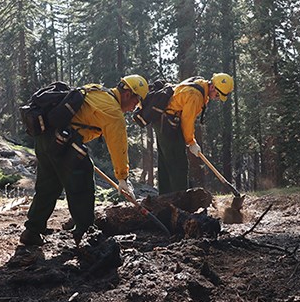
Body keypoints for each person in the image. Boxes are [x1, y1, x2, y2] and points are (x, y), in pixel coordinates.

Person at [20, 74, 149, 247]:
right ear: (128, 94)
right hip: (64, 141)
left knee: (47, 186)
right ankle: (87, 235)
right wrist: (122, 178)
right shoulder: (113, 112)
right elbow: (118, 146)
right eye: (136, 102)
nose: (134, 107)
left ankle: (32, 231)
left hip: (45, 138)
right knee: (83, 184)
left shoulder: (97, 89)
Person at [152, 73, 234, 195]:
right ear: (212, 87)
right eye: (217, 95)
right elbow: (187, 120)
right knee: (179, 165)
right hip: (168, 124)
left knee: (166, 163)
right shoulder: (195, 95)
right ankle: (179, 203)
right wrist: (191, 142)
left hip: (163, 121)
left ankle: (165, 202)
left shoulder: (200, 83)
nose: (217, 98)